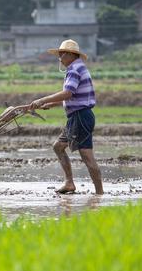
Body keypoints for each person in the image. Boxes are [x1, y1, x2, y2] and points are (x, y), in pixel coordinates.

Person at [28, 39, 103, 195]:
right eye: (59, 54)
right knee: (58, 147)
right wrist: (52, 104)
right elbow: (72, 96)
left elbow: (68, 93)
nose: (59, 57)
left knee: (87, 157)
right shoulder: (78, 67)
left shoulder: (74, 69)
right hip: (78, 117)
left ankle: (99, 194)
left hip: (80, 117)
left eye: (62, 54)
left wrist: (43, 99)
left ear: (70, 54)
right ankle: (69, 183)